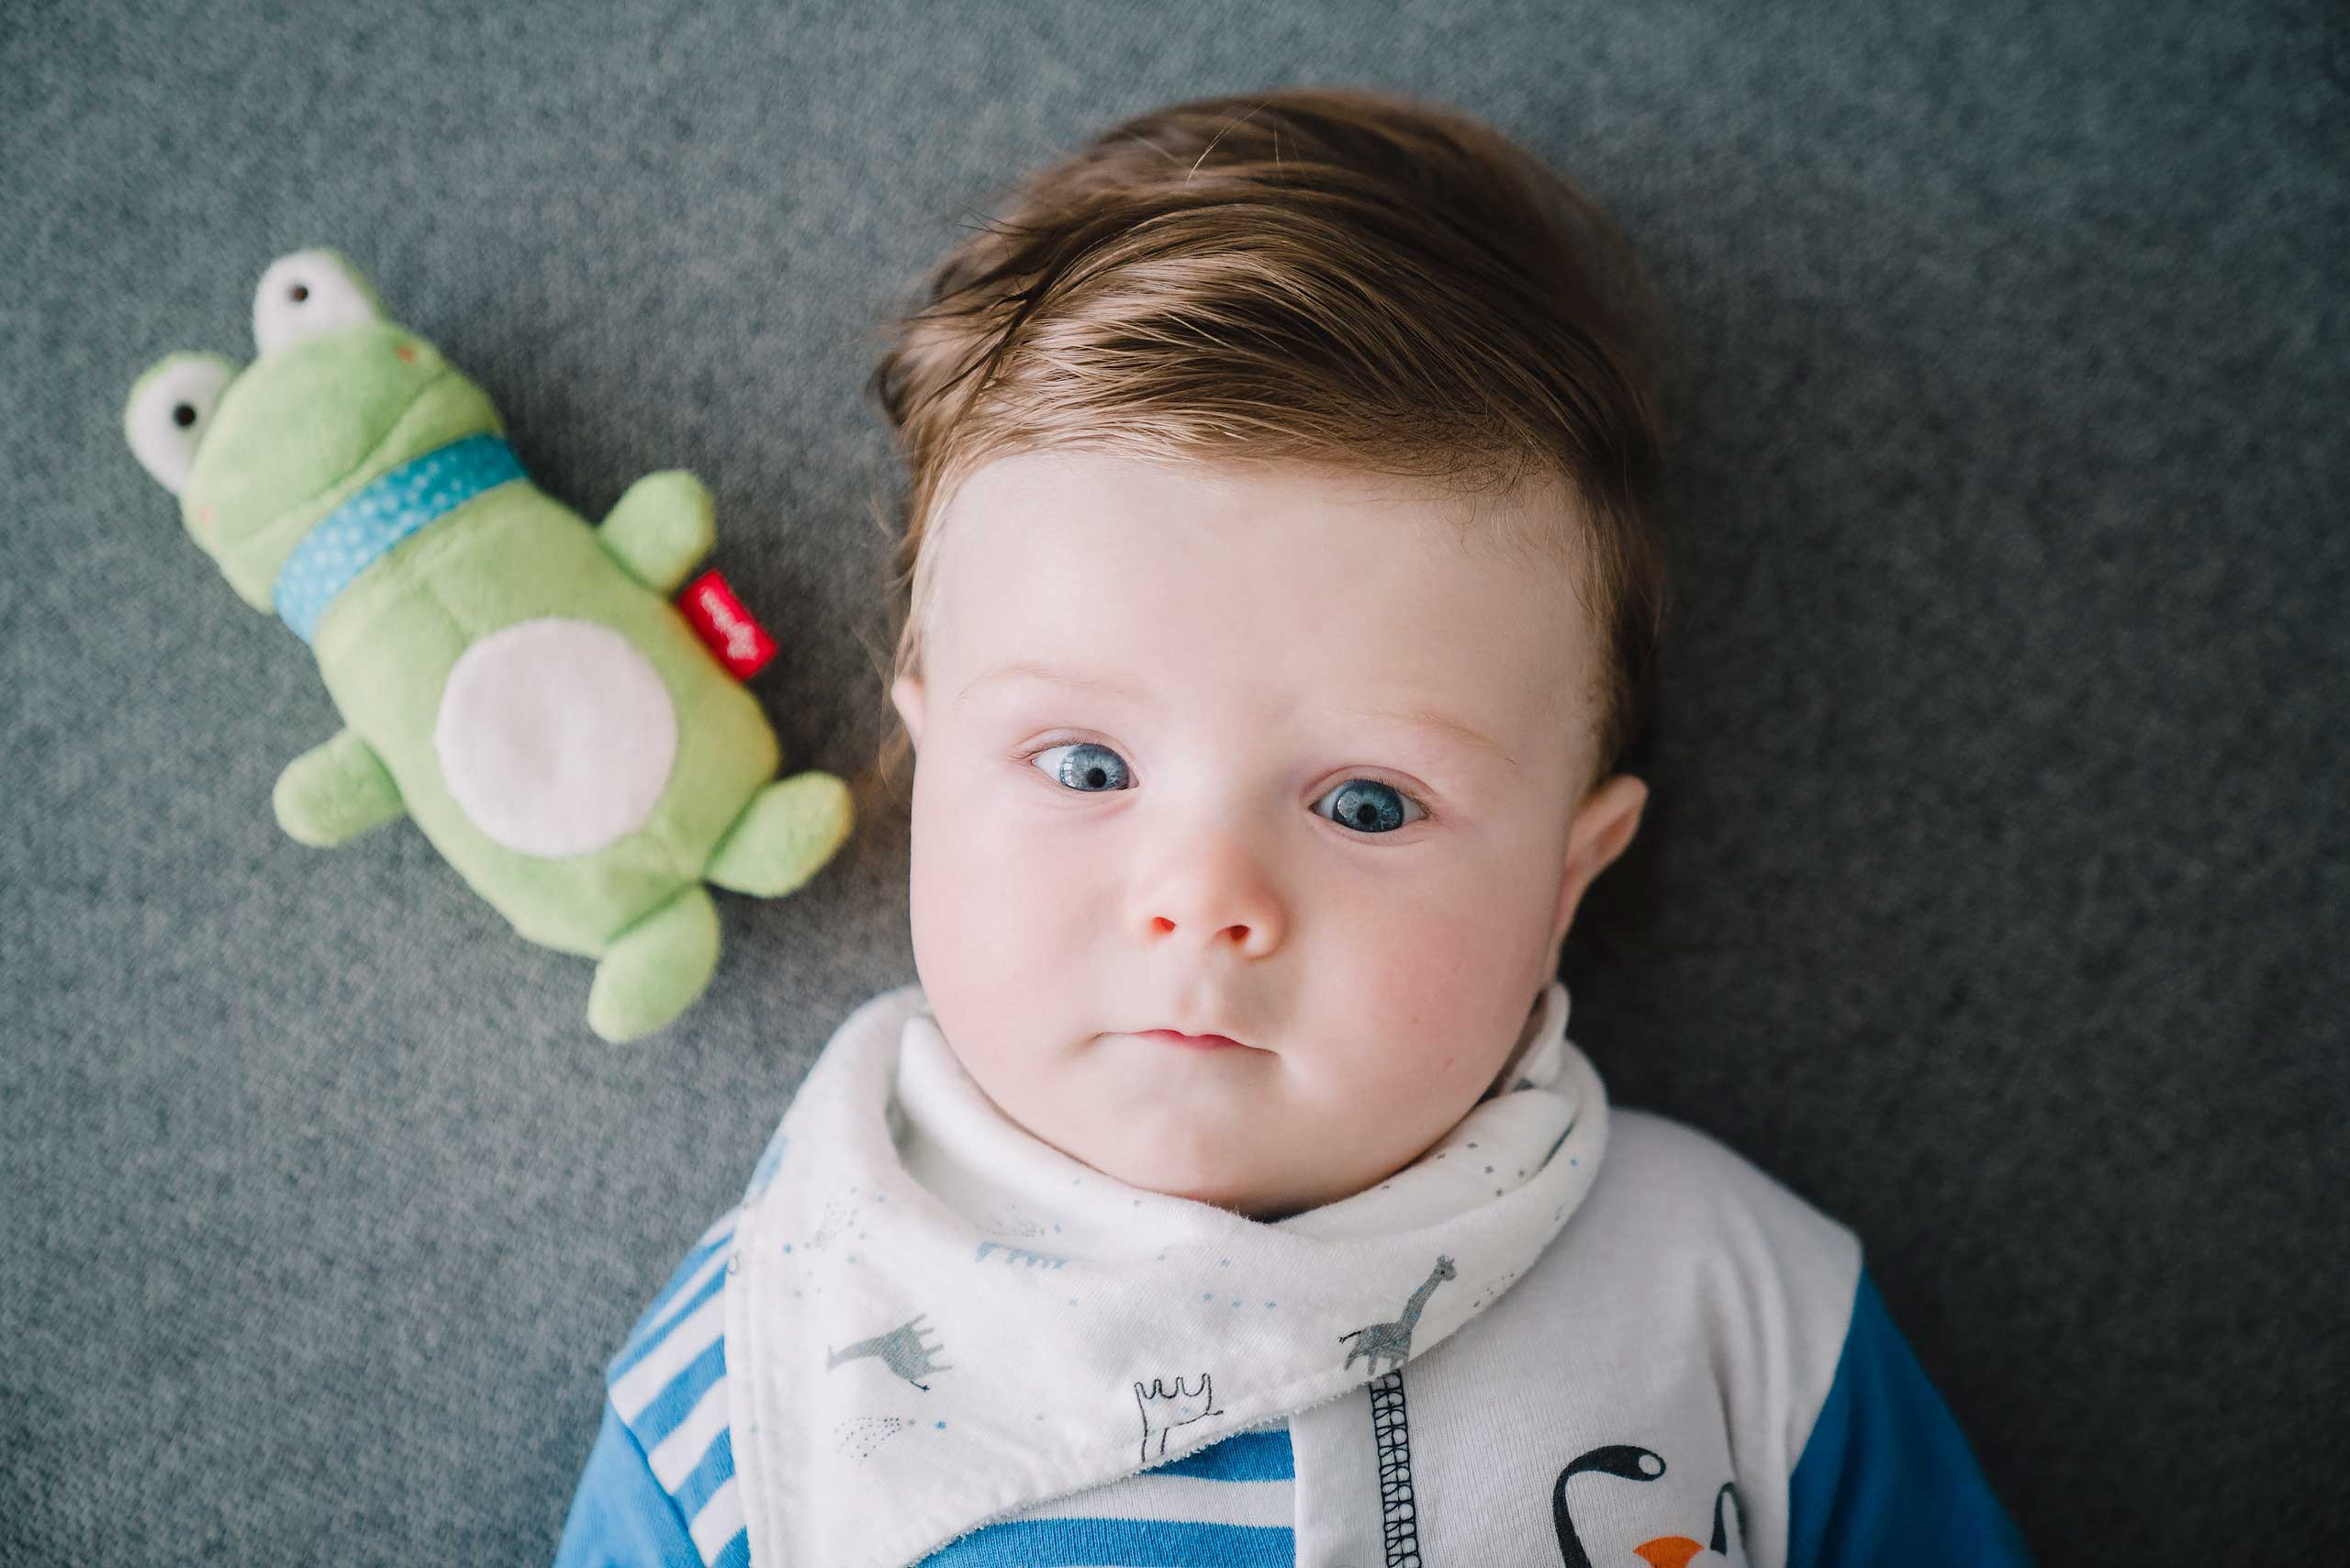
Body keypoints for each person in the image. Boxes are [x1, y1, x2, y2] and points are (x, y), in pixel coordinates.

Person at [554, 85, 2032, 1568]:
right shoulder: (755, 1370)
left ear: (1570, 875)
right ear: (927, 764)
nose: (1204, 898)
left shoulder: (1741, 1301)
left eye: (1368, 803)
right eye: (1083, 767)